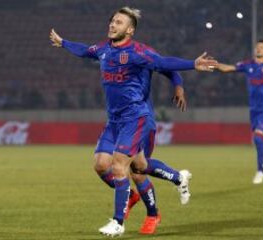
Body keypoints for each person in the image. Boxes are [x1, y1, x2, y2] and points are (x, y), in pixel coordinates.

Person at [50, 6, 217, 236]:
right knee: (112, 165)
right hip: (115, 120)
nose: (112, 24)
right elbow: (84, 50)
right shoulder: (103, 49)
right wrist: (64, 42)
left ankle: (123, 221)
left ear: (129, 30)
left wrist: (189, 67)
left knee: (124, 166)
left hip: (137, 117)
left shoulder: (139, 52)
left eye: (118, 22)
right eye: (112, 21)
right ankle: (174, 178)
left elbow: (164, 64)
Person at [94, 71, 187, 235]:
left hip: (141, 122)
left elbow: (171, 67)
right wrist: (65, 43)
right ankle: (130, 196)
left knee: (138, 171)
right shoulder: (110, 55)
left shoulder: (141, 57)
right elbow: (90, 51)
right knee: (101, 165)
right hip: (117, 122)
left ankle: (153, 214)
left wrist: (179, 85)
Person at [216, 39, 263, 186]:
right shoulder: (248, 65)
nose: (258, 49)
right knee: (262, 141)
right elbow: (228, 68)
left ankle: (260, 171)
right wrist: (214, 64)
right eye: (257, 47)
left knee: (258, 137)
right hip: (254, 110)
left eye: (261, 47)